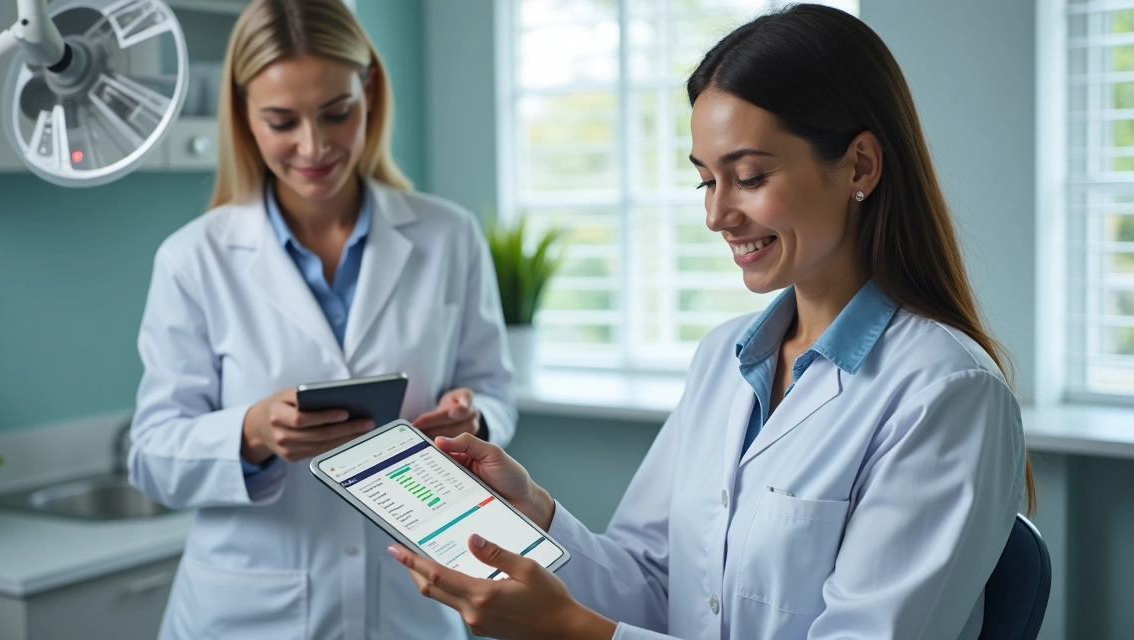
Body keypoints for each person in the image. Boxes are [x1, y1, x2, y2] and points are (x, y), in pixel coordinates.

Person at [388, 5, 1034, 639]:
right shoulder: (725, 357)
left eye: (749, 177)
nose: (718, 215)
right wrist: (537, 513)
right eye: (706, 182)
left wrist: (575, 631)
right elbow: (655, 586)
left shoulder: (945, 394)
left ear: (860, 166)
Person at [127, 0, 516, 637]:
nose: (315, 146)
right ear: (244, 115)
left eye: (336, 114)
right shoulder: (193, 258)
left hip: (409, 603)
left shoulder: (449, 235)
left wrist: (476, 418)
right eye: (282, 121)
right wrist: (250, 433)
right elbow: (150, 456)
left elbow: (495, 387)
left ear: (369, 92)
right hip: (248, 611)